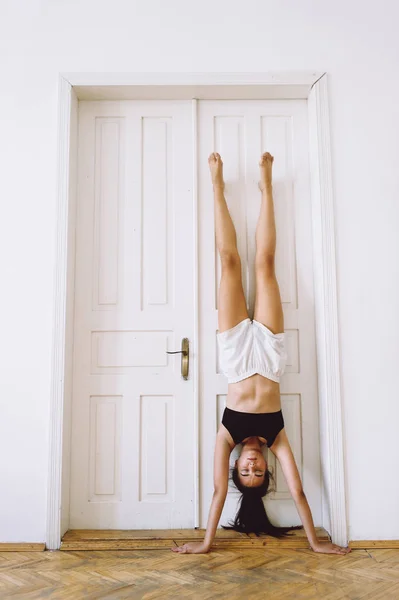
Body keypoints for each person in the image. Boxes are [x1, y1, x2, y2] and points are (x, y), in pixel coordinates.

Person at [172, 152, 350, 556]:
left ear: (237, 465)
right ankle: (267, 186)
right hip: (269, 352)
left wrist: (204, 544)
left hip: (235, 351)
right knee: (266, 265)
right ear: (267, 469)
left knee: (230, 263)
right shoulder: (277, 437)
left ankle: (216, 188)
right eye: (258, 472)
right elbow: (301, 492)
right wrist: (317, 544)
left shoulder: (226, 435)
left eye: (244, 470)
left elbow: (219, 494)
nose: (251, 465)